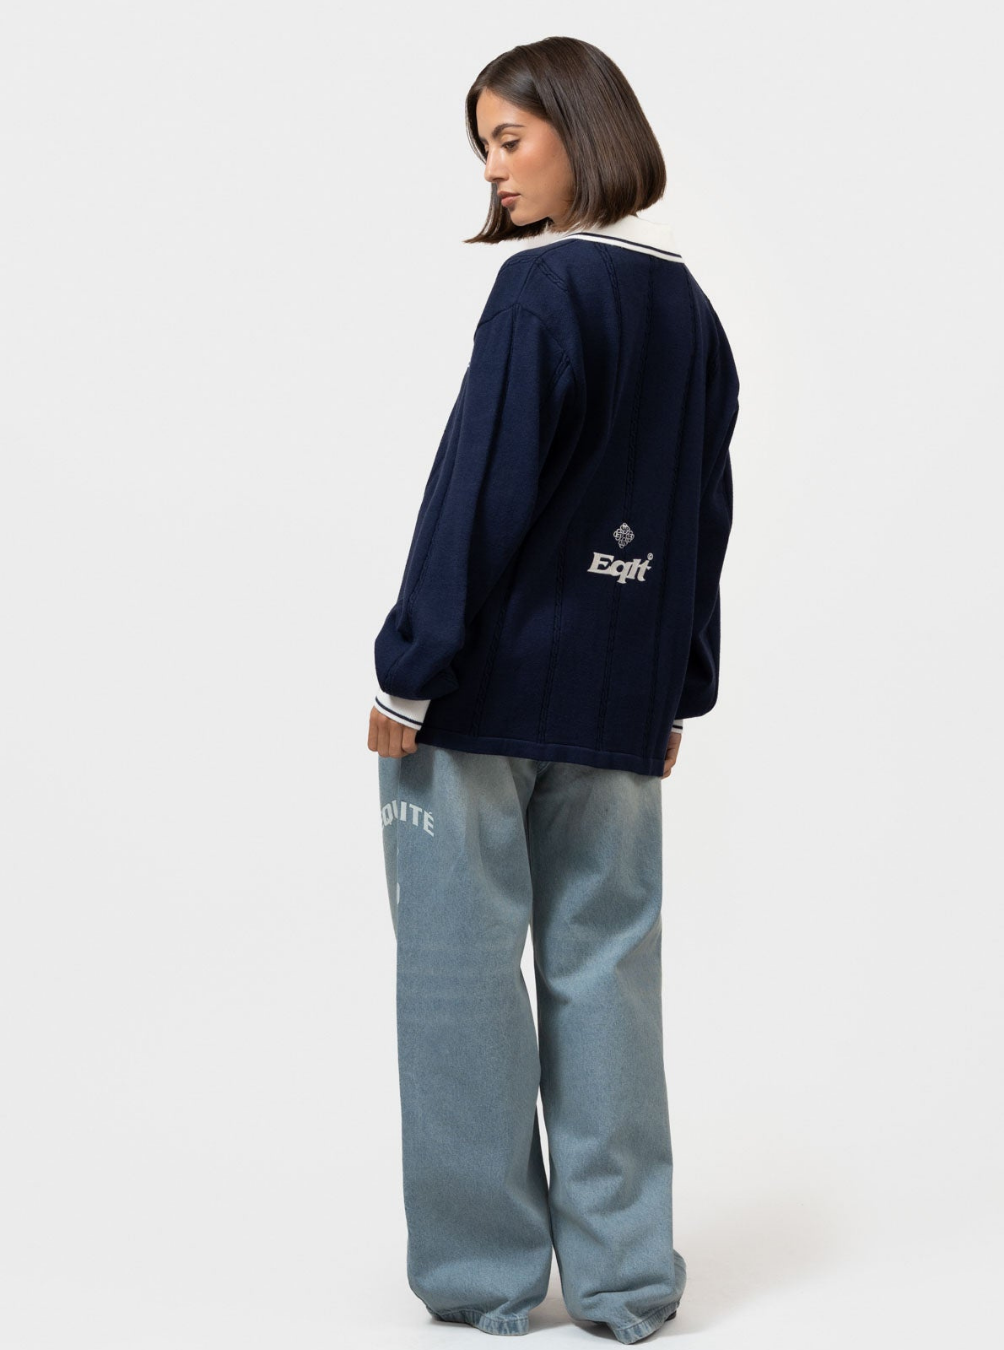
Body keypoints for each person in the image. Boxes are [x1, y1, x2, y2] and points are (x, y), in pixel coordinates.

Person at [369, 35, 738, 1344]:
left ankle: (486, 1283)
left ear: (582, 131)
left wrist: (407, 669)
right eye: (484, 146)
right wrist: (677, 688)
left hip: (476, 701)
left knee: (458, 984)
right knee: (609, 977)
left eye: (509, 139)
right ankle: (627, 1283)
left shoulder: (541, 292)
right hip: (617, 709)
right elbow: (699, 517)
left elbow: (479, 488)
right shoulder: (692, 311)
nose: (493, 168)